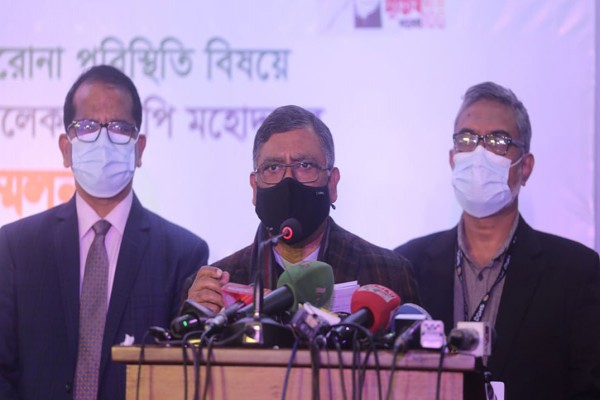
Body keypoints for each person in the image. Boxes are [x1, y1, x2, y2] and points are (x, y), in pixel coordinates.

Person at [0, 65, 209, 400]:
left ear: (139, 149)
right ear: (66, 149)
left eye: (119, 128)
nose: (103, 140)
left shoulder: (183, 255)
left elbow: (181, 377)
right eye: (86, 127)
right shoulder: (16, 247)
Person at [395, 82, 600, 399]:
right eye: (466, 139)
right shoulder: (406, 265)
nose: (479, 154)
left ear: (525, 168)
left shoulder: (577, 272)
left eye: (498, 141)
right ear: (453, 159)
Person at [187, 105, 419, 314]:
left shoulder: (388, 274)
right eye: (273, 167)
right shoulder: (218, 287)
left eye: (304, 165)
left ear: (332, 183)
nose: (288, 181)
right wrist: (196, 314)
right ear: (254, 187)